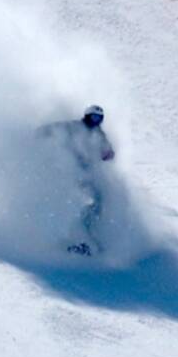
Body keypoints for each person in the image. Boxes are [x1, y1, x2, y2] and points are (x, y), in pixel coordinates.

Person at [37, 105, 116, 255]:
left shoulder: (99, 134)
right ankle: (72, 237)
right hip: (70, 172)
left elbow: (107, 150)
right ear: (87, 116)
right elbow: (54, 129)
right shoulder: (74, 126)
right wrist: (42, 132)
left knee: (98, 201)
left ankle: (86, 233)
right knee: (78, 201)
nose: (96, 121)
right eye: (93, 117)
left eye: (99, 118)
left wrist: (108, 153)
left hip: (86, 173)